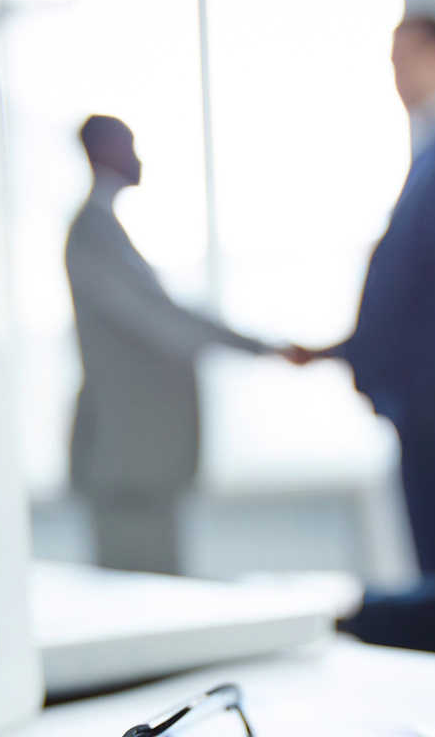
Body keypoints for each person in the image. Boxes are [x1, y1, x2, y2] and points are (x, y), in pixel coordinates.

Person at [290, 14, 435, 657]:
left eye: (408, 57)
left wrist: (419, 392)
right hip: (422, 404)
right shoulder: (427, 161)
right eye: (391, 61)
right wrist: (335, 351)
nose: (398, 74)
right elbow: (401, 300)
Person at [66, 115, 279, 575]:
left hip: (144, 462)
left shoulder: (108, 233)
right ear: (104, 151)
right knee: (136, 595)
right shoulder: (92, 233)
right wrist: (259, 347)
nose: (138, 158)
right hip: (126, 459)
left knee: (156, 588)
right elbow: (157, 320)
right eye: (130, 146)